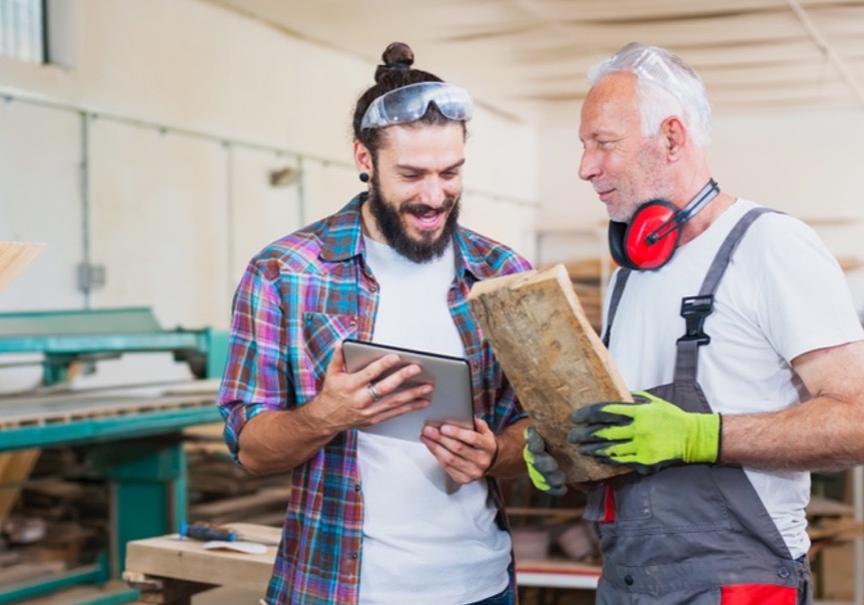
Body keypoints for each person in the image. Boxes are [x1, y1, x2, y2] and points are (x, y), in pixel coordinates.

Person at [524, 42, 864, 604]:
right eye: (584, 146)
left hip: (736, 585)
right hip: (628, 579)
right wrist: (570, 451)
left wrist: (700, 436)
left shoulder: (770, 245)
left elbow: (857, 419)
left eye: (603, 144)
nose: (585, 167)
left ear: (672, 138)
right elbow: (635, 443)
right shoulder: (632, 274)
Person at [218, 42, 531, 605]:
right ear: (365, 159)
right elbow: (250, 450)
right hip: (337, 588)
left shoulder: (503, 274)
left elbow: (547, 431)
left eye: (451, 172)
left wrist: (496, 453)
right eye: (411, 174)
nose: (434, 196)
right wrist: (326, 415)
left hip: (480, 586)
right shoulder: (285, 273)